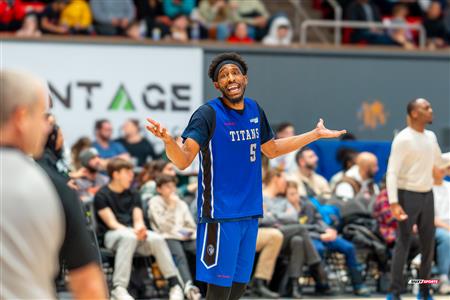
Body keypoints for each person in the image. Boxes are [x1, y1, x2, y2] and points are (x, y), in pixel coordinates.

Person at [146, 52, 346, 300]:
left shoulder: (254, 109)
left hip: (250, 212)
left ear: (244, 79)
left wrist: (314, 135)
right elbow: (183, 159)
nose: (230, 78)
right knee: (218, 293)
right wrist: (168, 142)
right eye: (224, 75)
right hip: (219, 215)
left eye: (234, 73)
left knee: (239, 289)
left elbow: (272, 149)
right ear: (217, 85)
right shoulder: (207, 114)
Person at [0, 69, 107, 299]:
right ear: (20, 118)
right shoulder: (51, 187)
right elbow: (88, 286)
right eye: (41, 116)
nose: (47, 127)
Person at [386, 98, 450, 300]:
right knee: (403, 243)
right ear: (414, 113)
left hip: (426, 194)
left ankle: (424, 290)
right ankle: (394, 292)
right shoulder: (403, 139)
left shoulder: (430, 137)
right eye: (426, 108)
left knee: (428, 245)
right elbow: (392, 172)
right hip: (407, 194)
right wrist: (394, 202)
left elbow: (439, 161)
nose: (431, 111)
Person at [94, 158, 184, 300]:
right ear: (115, 174)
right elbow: (112, 223)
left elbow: (138, 219)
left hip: (134, 234)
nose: (132, 175)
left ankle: (175, 284)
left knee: (157, 238)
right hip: (112, 235)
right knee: (128, 237)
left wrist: (140, 228)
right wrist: (134, 232)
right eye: (127, 172)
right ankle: (119, 288)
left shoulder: (134, 193)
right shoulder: (102, 195)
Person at [261, 170, 330, 298]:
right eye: (283, 179)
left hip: (284, 234)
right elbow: (263, 219)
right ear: (275, 178)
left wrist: (272, 215)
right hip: (267, 233)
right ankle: (316, 265)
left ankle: (294, 286)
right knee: (300, 229)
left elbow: (293, 216)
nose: (285, 183)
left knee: (298, 240)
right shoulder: (260, 195)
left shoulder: (282, 198)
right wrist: (279, 217)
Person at [148, 175, 201, 300]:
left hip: (184, 236)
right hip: (166, 237)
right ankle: (188, 286)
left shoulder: (181, 203)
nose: (171, 189)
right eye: (167, 187)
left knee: (200, 249)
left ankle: (209, 284)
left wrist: (186, 233)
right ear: (159, 189)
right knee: (179, 254)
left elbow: (190, 224)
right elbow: (162, 226)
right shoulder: (154, 202)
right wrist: (171, 206)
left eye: (173, 186)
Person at [432, 166, 450, 295]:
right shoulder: (426, 188)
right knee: (446, 237)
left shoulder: (449, 186)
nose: (443, 170)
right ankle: (443, 278)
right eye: (440, 167)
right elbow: (429, 217)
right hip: (433, 227)